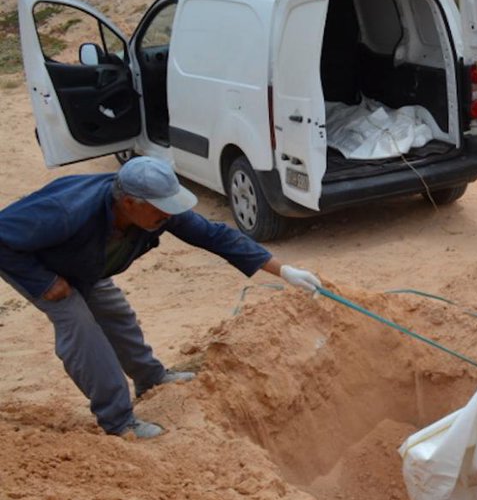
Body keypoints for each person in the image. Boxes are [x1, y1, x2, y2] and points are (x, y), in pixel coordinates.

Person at [0, 156, 323, 440]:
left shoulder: (157, 210)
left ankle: (150, 379)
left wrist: (283, 271)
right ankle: (119, 422)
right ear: (130, 203)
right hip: (43, 268)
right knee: (82, 331)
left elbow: (215, 235)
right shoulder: (68, 211)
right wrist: (42, 281)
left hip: (86, 265)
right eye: (162, 207)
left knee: (116, 313)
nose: (170, 213)